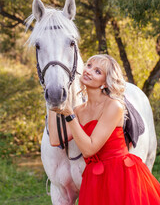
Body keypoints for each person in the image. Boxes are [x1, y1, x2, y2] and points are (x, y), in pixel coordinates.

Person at [49, 54, 160, 205]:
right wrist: (51, 103)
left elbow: (89, 149)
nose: (89, 71)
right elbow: (55, 140)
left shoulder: (114, 106)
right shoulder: (80, 110)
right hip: (94, 177)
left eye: (97, 71)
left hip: (119, 176)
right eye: (88, 66)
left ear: (105, 83)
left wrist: (69, 115)